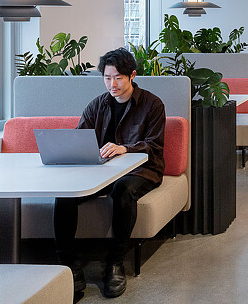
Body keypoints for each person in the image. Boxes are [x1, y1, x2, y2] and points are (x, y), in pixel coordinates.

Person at [54, 48, 166, 300]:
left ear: (132, 76)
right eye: (107, 78)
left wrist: (125, 148)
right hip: (102, 171)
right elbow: (80, 138)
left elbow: (155, 145)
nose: (112, 84)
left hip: (141, 170)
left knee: (123, 190)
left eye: (118, 78)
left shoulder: (152, 104)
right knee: (65, 193)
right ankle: (69, 265)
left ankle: (115, 263)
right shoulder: (97, 105)